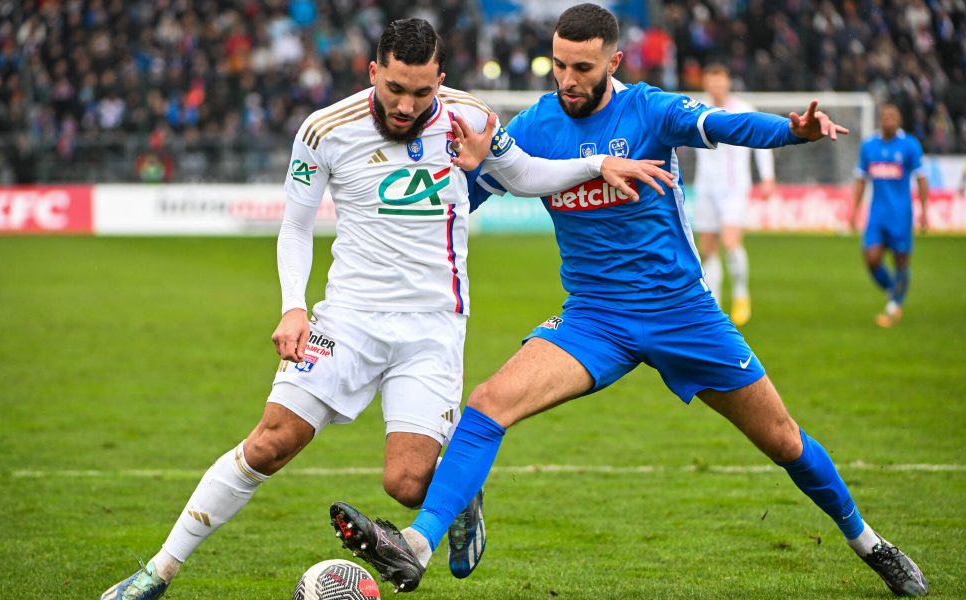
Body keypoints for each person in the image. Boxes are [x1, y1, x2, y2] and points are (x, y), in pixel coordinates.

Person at [329, 5, 929, 597]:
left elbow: (722, 124)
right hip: (594, 318)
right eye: (559, 65)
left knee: (784, 442)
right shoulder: (535, 128)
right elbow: (458, 206)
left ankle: (870, 544)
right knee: (488, 403)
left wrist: (789, 133)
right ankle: (416, 545)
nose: (568, 80)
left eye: (583, 68)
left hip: (683, 314)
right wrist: (439, 194)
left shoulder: (649, 109)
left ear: (613, 61)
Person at [100, 17, 673, 600]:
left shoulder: (469, 117)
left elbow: (522, 173)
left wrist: (594, 164)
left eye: (422, 92)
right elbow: (296, 227)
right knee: (269, 442)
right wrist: (293, 308)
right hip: (346, 320)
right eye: (395, 88)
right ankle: (157, 573)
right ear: (374, 71)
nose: (405, 105)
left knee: (406, 484)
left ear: (440, 81)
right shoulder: (325, 131)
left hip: (431, 328)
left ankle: (458, 491)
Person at [693, 64, 776, 326]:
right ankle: (714, 303)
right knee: (707, 248)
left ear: (728, 83)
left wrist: (767, 178)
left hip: (734, 188)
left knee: (730, 241)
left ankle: (741, 294)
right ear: (706, 84)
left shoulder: (743, 109)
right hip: (705, 187)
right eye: (712, 81)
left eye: (721, 81)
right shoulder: (696, 109)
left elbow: (762, 143)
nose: (716, 86)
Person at [852, 103, 929, 328]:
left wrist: (924, 212)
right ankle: (892, 290)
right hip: (877, 215)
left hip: (901, 215)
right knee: (871, 258)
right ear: (880, 119)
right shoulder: (869, 146)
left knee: (901, 261)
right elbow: (860, 179)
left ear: (900, 120)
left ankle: (894, 307)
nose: (889, 119)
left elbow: (921, 179)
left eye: (893, 116)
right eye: (885, 116)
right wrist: (854, 210)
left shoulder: (909, 145)